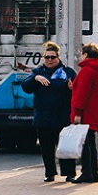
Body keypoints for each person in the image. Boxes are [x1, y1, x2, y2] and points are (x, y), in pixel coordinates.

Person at [21, 42, 77, 183]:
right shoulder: (38, 72)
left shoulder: (67, 72)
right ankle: (49, 173)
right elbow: (26, 87)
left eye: (52, 57)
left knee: (65, 148)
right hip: (43, 118)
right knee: (46, 148)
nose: (50, 60)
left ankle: (69, 173)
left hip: (63, 117)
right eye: (47, 57)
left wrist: (72, 88)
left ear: (58, 58)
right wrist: (35, 78)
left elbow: (79, 90)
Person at [69, 42, 98, 184]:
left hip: (85, 113)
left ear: (85, 55)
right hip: (94, 111)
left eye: (81, 54)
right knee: (91, 143)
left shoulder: (86, 70)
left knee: (85, 145)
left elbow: (83, 94)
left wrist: (78, 112)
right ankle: (93, 172)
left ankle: (87, 172)